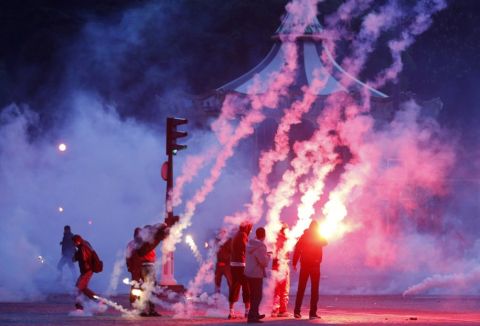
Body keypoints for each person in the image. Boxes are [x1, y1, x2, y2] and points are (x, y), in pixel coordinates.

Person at [292, 221, 328, 320]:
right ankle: (312, 314)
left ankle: (297, 312)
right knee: (314, 290)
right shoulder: (317, 236)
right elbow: (325, 242)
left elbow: (297, 250)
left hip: (304, 265)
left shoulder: (304, 236)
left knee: (301, 288)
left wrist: (294, 263)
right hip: (315, 266)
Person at [134, 223, 169, 317]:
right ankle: (149, 310)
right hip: (148, 266)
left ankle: (144, 309)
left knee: (146, 288)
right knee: (150, 288)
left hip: (145, 266)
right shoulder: (146, 242)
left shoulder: (141, 241)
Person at [245, 227, 270, 323]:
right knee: (258, 296)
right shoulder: (261, 246)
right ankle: (252, 317)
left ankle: (254, 314)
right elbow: (263, 263)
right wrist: (268, 256)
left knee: (253, 295)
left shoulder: (250, 244)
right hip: (256, 274)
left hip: (249, 273)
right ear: (264, 235)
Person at [228, 222, 252, 319]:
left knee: (234, 287)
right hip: (241, 265)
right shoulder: (243, 235)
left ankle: (231, 312)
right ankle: (247, 312)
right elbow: (246, 249)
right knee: (246, 288)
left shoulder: (236, 235)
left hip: (233, 264)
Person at [72, 234, 98, 310]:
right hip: (87, 270)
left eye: (74, 243)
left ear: (77, 241)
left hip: (87, 271)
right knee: (83, 288)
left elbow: (82, 259)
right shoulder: (85, 244)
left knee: (78, 288)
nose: (74, 245)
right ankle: (97, 299)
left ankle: (79, 307)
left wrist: (75, 254)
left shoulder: (82, 248)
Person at [271, 223, 290, 317]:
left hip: (275, 266)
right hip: (282, 265)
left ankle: (274, 309)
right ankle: (282, 310)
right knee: (284, 289)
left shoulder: (274, 239)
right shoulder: (285, 240)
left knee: (276, 290)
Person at [126, 227, 142, 305]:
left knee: (136, 284)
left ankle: (135, 300)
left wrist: (129, 266)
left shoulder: (131, 244)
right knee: (136, 284)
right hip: (136, 267)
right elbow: (128, 257)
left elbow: (127, 257)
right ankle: (134, 300)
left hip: (137, 267)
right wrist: (129, 266)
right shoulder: (133, 244)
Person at [214, 229, 232, 294]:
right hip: (219, 265)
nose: (222, 234)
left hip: (227, 265)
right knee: (217, 281)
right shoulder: (217, 241)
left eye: (223, 233)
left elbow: (231, 253)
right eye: (221, 233)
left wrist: (225, 259)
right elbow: (214, 251)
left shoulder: (229, 241)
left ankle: (232, 297)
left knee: (230, 281)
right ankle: (217, 296)